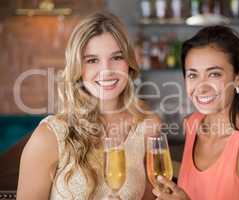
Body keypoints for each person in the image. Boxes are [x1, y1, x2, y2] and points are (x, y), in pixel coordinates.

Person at [17, 11, 159, 200]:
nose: (107, 70)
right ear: (77, 68)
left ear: (129, 63)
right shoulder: (49, 136)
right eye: (92, 60)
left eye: (116, 57)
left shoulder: (147, 126)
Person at [152, 26, 239, 200]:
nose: (202, 87)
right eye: (192, 75)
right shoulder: (192, 124)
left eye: (214, 74)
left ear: (238, 77)